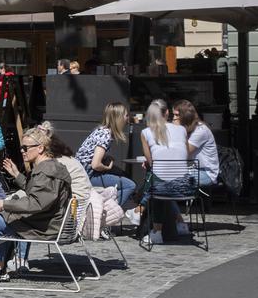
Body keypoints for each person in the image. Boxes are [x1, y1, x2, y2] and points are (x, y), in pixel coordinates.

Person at [0, 126, 71, 277]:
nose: (22, 151)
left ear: (40, 148)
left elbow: (36, 203)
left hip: (45, 226)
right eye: (21, 147)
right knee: (3, 214)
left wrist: (3, 204)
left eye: (25, 147)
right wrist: (17, 175)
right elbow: (38, 192)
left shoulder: (46, 172)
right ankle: (6, 261)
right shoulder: (51, 166)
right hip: (46, 219)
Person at [136, 98, 191, 244]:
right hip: (186, 186)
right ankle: (179, 223)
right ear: (167, 113)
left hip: (162, 188)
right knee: (164, 183)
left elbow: (150, 161)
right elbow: (186, 155)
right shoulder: (182, 129)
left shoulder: (145, 132)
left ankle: (155, 230)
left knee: (157, 185)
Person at [75, 102, 136, 206]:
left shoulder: (101, 130)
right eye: (126, 115)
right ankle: (108, 211)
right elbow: (95, 164)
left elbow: (90, 155)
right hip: (87, 175)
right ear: (118, 118)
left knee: (121, 174)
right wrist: (106, 168)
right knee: (130, 185)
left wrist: (106, 157)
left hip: (82, 172)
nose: (128, 118)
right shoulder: (106, 135)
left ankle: (105, 207)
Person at [173, 99, 219, 188]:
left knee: (170, 181)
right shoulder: (186, 129)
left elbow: (184, 153)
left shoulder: (200, 130)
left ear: (185, 116)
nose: (174, 118)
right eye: (173, 115)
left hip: (205, 173)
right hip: (190, 169)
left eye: (177, 115)